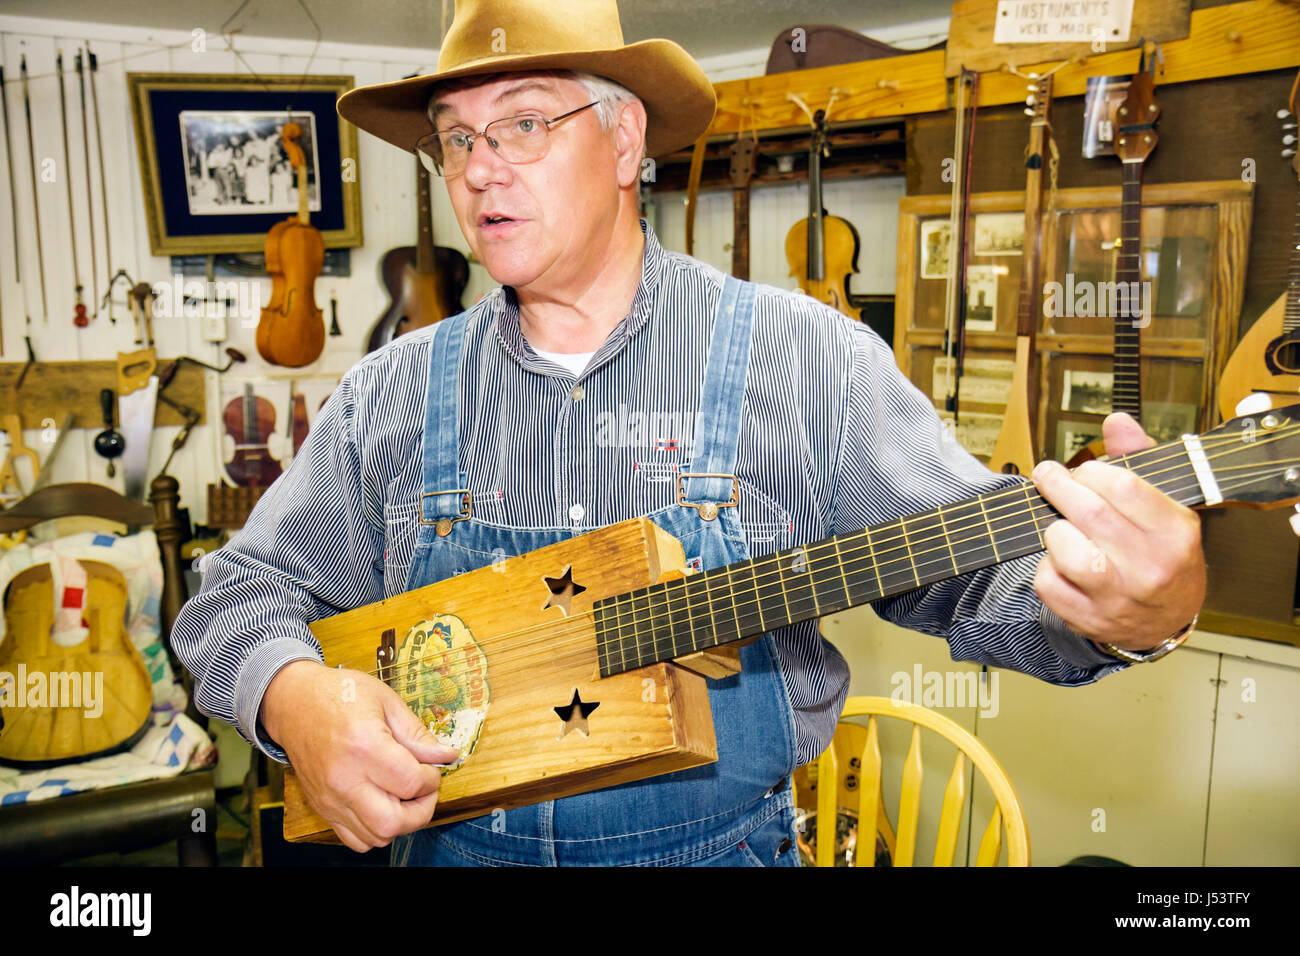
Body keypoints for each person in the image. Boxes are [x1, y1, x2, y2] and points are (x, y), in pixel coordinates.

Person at [171, 0, 1205, 866]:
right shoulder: (388, 392)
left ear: (624, 140)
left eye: (523, 123)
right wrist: (294, 701)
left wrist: (1136, 608)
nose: (480, 169)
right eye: (457, 136)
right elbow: (234, 600)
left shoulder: (808, 362)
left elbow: (985, 582)